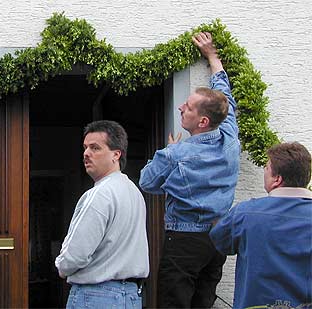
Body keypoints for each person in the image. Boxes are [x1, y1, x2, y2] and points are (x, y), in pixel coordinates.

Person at [138, 32, 240, 308]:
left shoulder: (175, 154)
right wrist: (213, 57)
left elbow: (147, 182)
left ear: (203, 121)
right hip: (218, 240)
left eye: (189, 107)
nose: (182, 107)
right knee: (203, 302)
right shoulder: (229, 136)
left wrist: (168, 156)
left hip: (183, 240)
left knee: (174, 303)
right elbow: (224, 94)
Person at [55, 120, 149, 308]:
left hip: (96, 295)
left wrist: (62, 267)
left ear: (116, 154)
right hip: (130, 296)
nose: (86, 154)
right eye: (85, 148)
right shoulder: (134, 192)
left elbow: (75, 255)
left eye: (95, 148)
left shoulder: (99, 194)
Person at [210, 142, 312, 309]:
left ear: (277, 179)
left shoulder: (245, 213)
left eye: (266, 168)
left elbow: (219, 241)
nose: (264, 171)